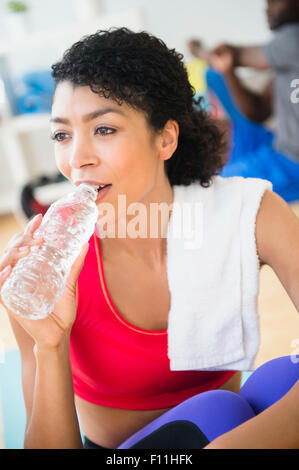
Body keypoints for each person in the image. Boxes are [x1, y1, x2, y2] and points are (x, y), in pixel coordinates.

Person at [0, 27, 298, 450]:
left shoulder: (247, 214)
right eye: (62, 134)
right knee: (215, 412)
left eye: (103, 129)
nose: (77, 159)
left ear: (166, 138)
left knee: (282, 379)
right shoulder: (45, 267)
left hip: (222, 437)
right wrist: (49, 346)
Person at [188, 0, 299, 203]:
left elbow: (234, 54)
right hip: (277, 147)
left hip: (291, 163)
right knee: (215, 74)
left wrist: (199, 51)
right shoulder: (287, 63)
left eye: (275, 2)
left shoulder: (293, 38)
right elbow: (258, 111)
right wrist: (227, 70)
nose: (267, 9)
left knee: (211, 190)